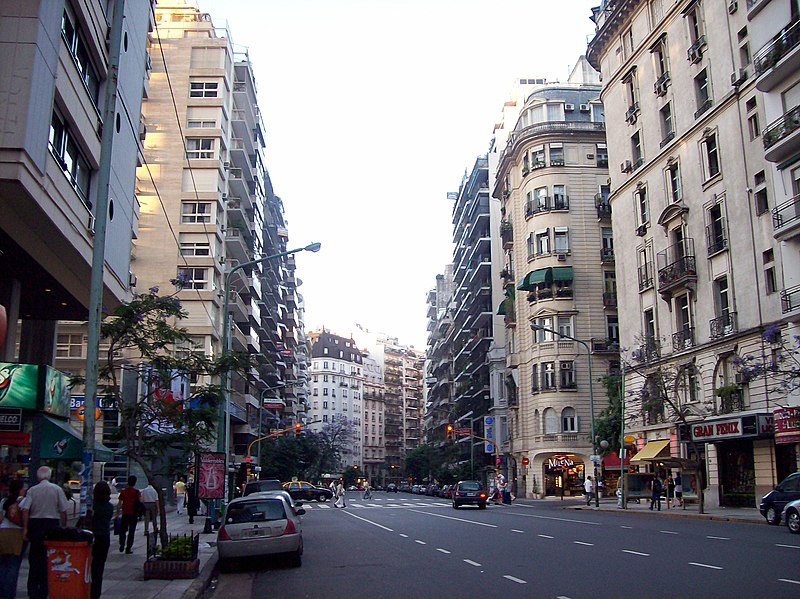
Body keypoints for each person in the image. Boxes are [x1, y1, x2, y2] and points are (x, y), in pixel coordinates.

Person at [20, 466, 68, 599]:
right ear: (50, 476)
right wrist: (63, 527)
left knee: (34, 560)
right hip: (52, 524)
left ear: (38, 476)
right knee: (49, 559)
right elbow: (63, 510)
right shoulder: (57, 489)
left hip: (35, 524)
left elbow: (25, 509)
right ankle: (45, 588)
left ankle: (32, 589)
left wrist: (25, 528)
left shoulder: (32, 490)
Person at [0, 479, 27, 599]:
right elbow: (26, 515)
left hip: (3, 532)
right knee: (13, 566)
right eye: (23, 487)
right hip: (16, 534)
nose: (25, 489)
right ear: (19, 489)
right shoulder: (22, 501)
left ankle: (2, 592)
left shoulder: (3, 501)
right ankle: (9, 594)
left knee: (3, 565)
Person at [90, 481, 113, 599]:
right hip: (104, 536)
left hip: (92, 536)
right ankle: (96, 593)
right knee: (99, 567)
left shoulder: (92, 506)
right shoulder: (109, 507)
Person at [116, 476, 141, 554]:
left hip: (125, 513)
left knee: (123, 530)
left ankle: (122, 544)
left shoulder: (123, 492)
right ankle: (128, 548)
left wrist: (117, 513)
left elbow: (119, 503)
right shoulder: (137, 492)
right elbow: (140, 502)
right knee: (131, 531)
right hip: (133, 514)